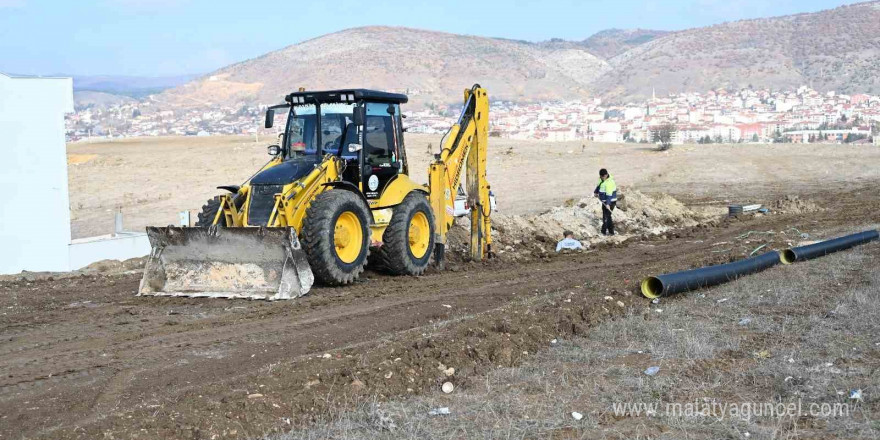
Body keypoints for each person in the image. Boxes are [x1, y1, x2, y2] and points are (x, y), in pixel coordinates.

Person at [594, 168, 617, 236]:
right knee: (608, 216)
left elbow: (609, 195)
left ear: (606, 175)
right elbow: (599, 185)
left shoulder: (610, 182)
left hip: (611, 202)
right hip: (604, 201)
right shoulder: (601, 179)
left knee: (606, 217)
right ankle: (611, 232)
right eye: (601, 176)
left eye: (603, 176)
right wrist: (596, 192)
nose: (602, 178)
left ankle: (603, 232)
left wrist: (608, 204)